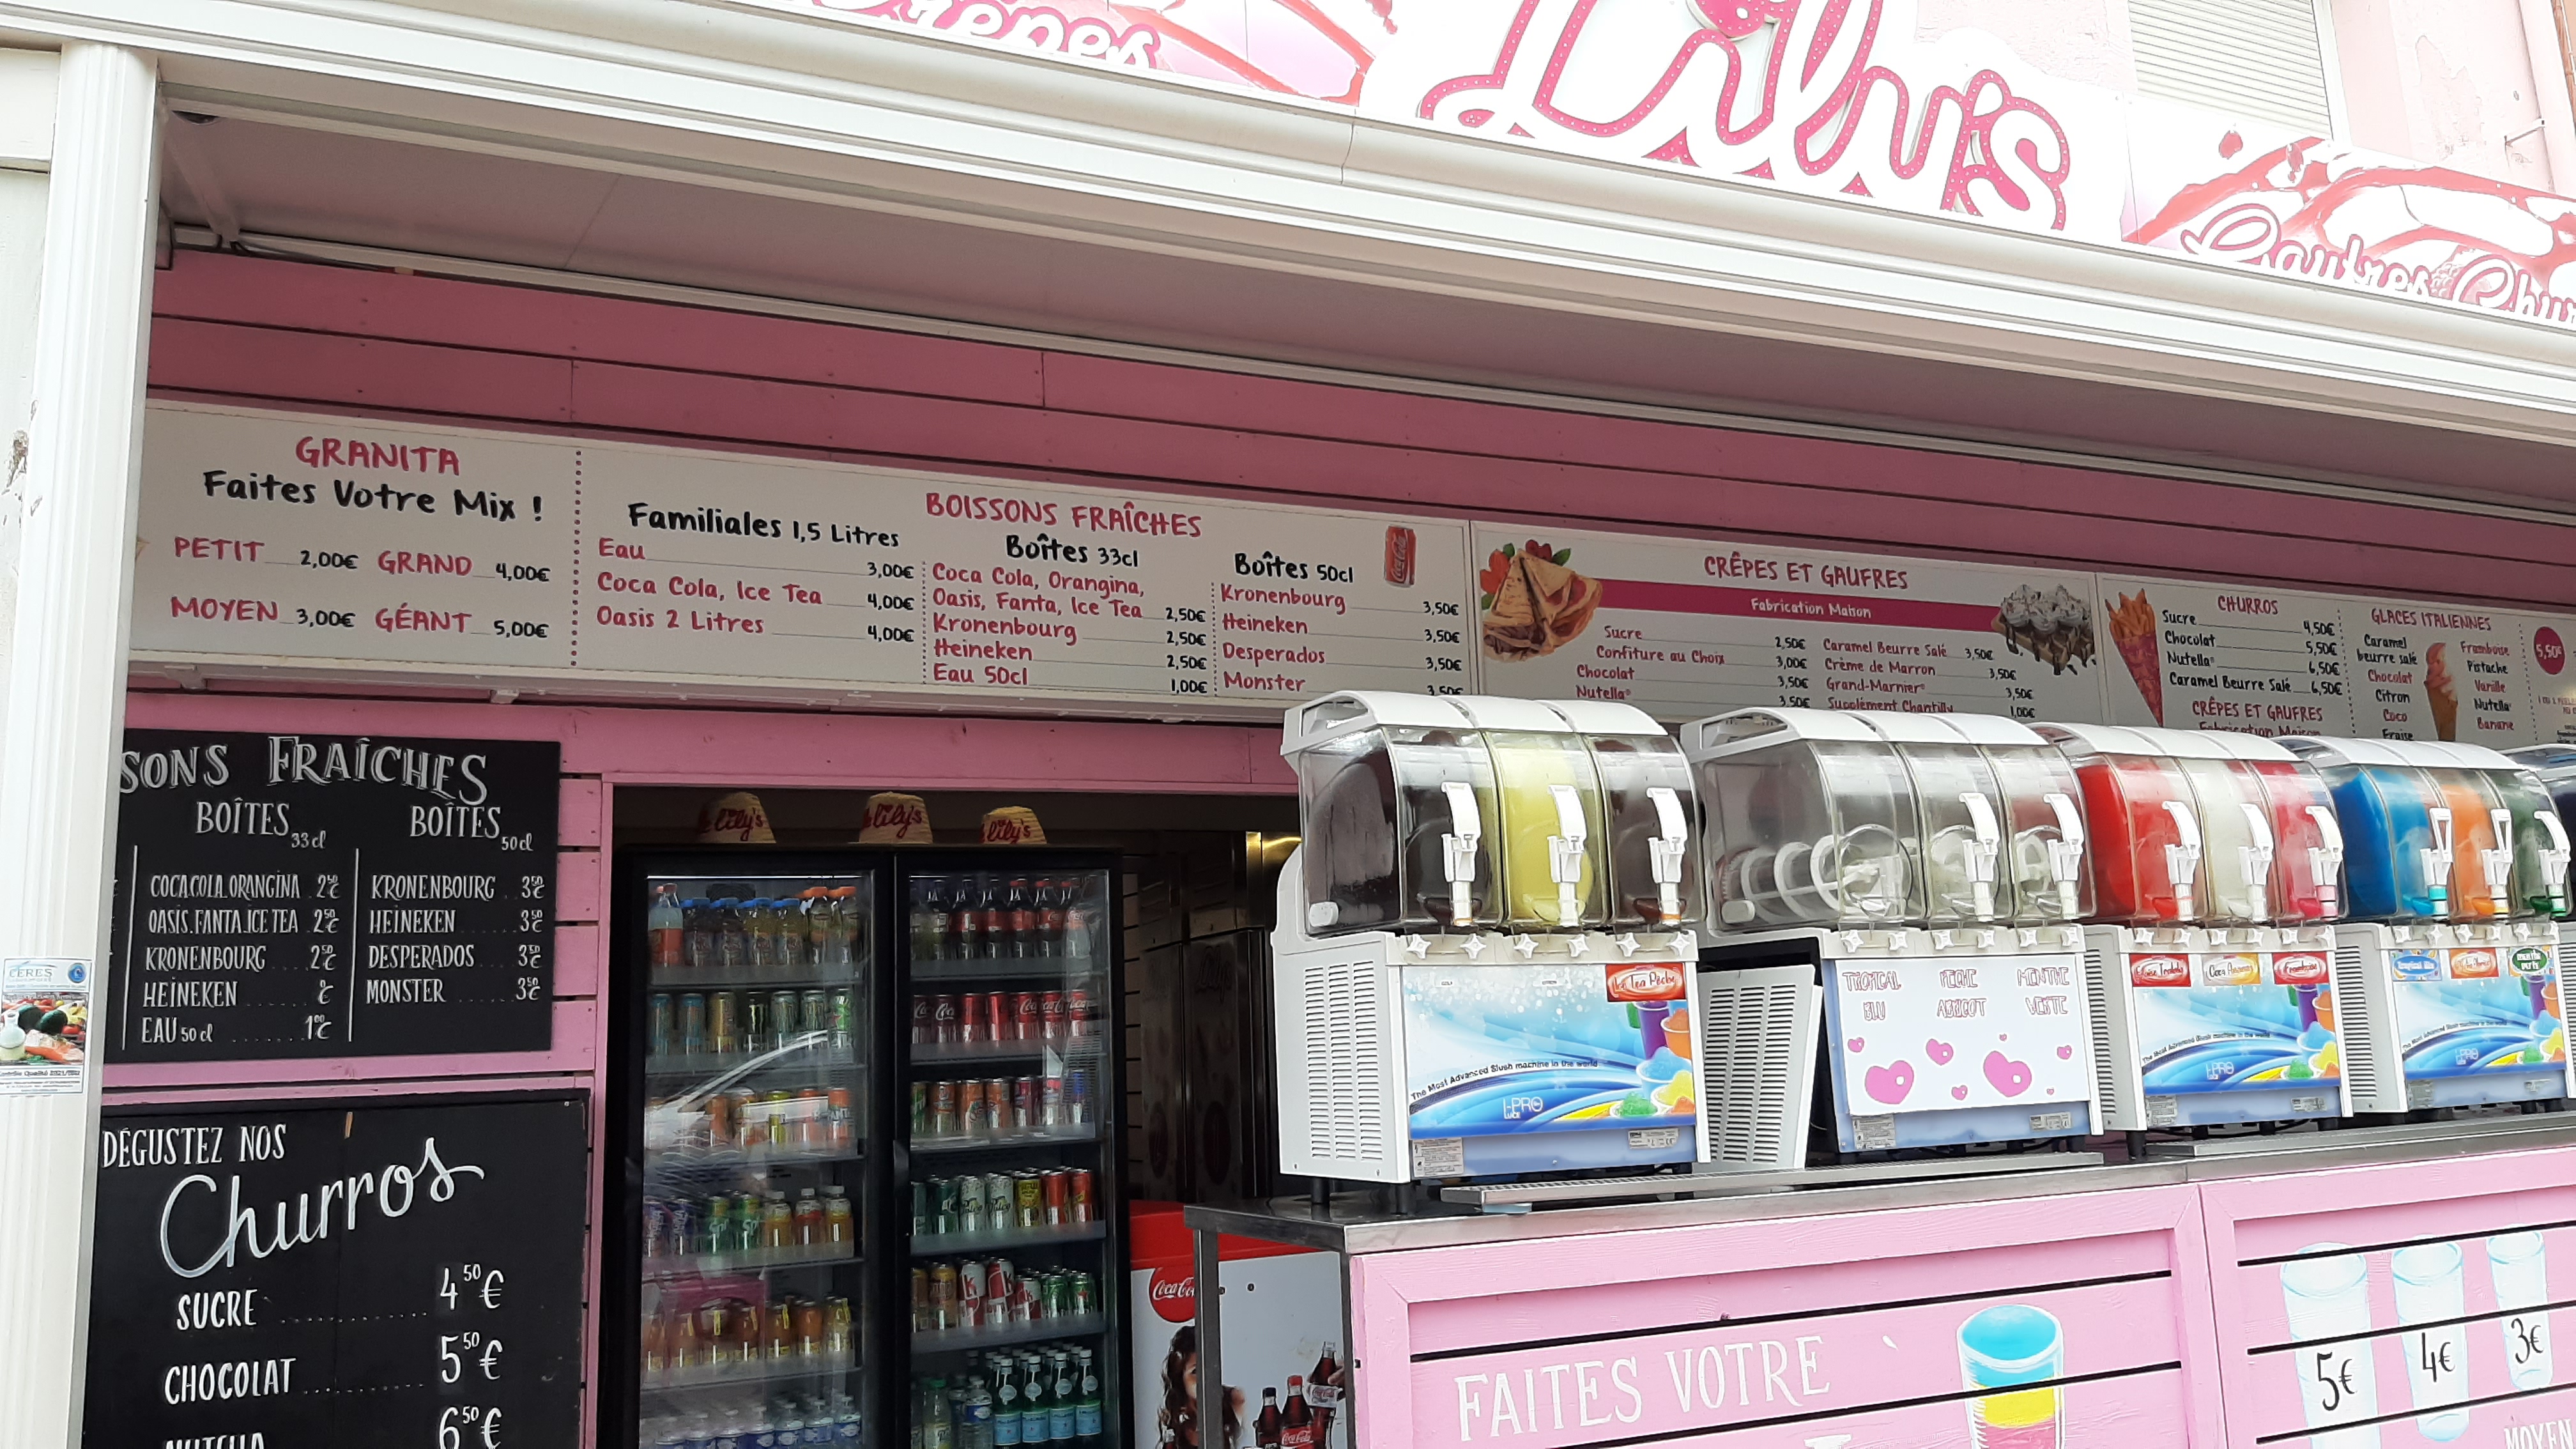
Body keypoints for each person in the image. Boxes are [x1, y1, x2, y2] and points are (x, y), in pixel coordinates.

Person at [1156, 1325, 1243, 1448]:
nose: (1204, 1377)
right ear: (1181, 1378)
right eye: (1196, 1371)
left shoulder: (1233, 1402)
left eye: (1209, 1367)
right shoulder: (1177, 1425)